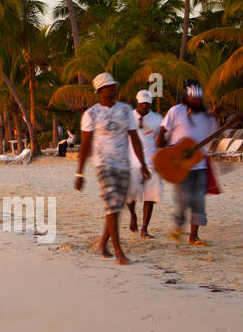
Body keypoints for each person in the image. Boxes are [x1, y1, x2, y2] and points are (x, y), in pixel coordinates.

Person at [75, 73, 146, 265]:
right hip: (103, 164)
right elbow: (85, 145)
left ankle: (102, 243)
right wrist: (79, 173)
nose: (113, 89)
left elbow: (134, 138)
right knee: (113, 204)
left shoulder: (125, 110)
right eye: (109, 87)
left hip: (123, 164)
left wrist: (143, 164)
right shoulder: (91, 114)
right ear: (100, 91)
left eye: (114, 85)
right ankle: (118, 252)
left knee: (115, 207)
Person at [159, 83, 219, 245]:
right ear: (187, 98)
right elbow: (162, 131)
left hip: (199, 165)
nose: (197, 101)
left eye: (199, 99)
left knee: (199, 200)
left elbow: (214, 137)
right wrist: (165, 150)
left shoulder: (207, 116)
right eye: (194, 98)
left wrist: (214, 147)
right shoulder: (176, 111)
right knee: (183, 199)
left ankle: (194, 237)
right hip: (179, 164)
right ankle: (178, 224)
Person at [126, 90, 163, 237]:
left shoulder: (157, 119)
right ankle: (133, 215)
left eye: (148, 105)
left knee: (150, 197)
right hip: (132, 162)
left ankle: (144, 229)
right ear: (137, 103)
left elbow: (161, 140)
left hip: (151, 162)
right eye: (142, 104)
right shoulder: (128, 118)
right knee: (130, 196)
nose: (145, 107)